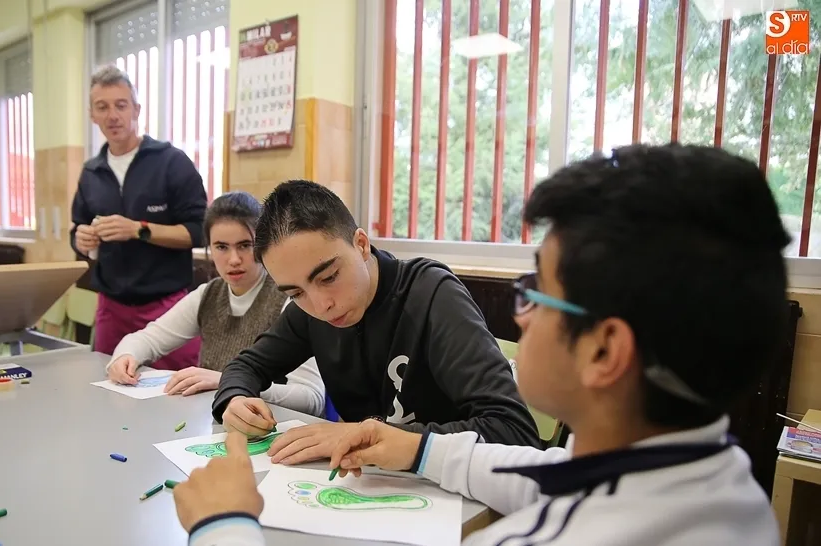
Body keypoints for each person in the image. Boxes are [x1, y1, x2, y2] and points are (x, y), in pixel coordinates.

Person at [173, 143, 787, 545]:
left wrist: (224, 527)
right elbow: (549, 470)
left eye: (537, 291)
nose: (521, 317)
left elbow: (515, 436)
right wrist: (413, 450)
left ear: (604, 351)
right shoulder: (717, 485)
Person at [212, 179, 541, 466]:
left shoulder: (431, 295)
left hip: (453, 495)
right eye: (296, 292)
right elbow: (247, 366)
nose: (321, 305)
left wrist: (365, 436)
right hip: (372, 487)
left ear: (361, 244)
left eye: (329, 277)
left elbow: (513, 432)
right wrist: (234, 400)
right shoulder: (308, 310)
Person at [105, 191, 326, 417]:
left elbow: (311, 399)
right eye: (221, 247)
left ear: (263, 245)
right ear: (209, 247)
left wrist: (231, 382)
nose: (233, 259)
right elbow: (146, 339)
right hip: (216, 423)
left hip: (271, 429)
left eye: (245, 245)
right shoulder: (208, 294)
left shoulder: (290, 298)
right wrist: (124, 357)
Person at [70, 65, 208, 371]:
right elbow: (76, 230)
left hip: (168, 308)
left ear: (137, 109)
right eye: (102, 107)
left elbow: (200, 232)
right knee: (110, 393)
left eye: (121, 105)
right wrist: (81, 238)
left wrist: (139, 230)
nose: (113, 116)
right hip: (111, 307)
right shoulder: (91, 172)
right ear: (92, 114)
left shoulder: (171, 162)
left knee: (177, 396)